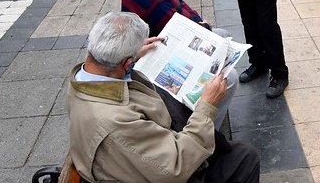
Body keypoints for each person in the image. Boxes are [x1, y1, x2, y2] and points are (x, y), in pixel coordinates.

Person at [66, 12, 260, 183]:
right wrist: (207, 106)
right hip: (161, 168)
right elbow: (175, 169)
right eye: (131, 58)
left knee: (184, 111)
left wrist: (133, 56)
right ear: (126, 63)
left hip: (137, 152)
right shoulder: (115, 122)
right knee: (245, 157)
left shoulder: (85, 75)